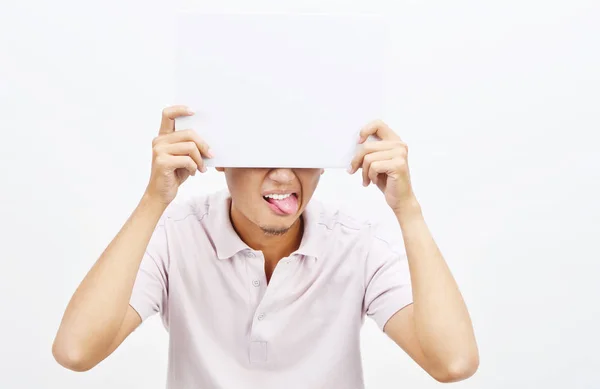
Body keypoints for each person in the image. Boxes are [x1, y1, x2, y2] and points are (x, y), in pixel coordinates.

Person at [52, 105, 479, 388]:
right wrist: (154, 200)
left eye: (301, 153)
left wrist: (408, 210)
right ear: (220, 158)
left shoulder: (356, 245)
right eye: (261, 151)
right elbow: (76, 351)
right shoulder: (175, 236)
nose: (282, 172)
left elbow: (454, 363)